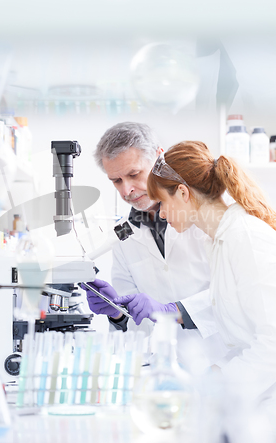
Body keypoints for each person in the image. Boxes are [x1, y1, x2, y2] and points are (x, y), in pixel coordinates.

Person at [117, 140, 276, 398]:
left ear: (182, 192)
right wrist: (207, 376)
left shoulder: (245, 237)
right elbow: (243, 337)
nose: (164, 215)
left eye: (163, 203)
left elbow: (272, 344)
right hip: (251, 398)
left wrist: (214, 387)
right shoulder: (217, 240)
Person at [82, 122, 227, 365]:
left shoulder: (205, 213)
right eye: (116, 181)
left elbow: (235, 294)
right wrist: (117, 313)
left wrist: (173, 310)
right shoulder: (121, 236)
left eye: (133, 174)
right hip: (161, 369)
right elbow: (135, 322)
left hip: (220, 361)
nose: (126, 190)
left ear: (159, 157)